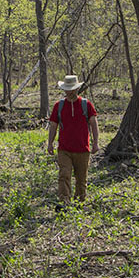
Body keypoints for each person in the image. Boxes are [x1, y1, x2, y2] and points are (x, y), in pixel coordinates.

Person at [47, 75, 99, 210]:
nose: (69, 92)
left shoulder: (86, 104)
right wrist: (50, 143)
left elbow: (94, 123)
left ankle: (80, 203)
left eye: (72, 89)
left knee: (81, 179)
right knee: (64, 175)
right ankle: (64, 202)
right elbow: (53, 125)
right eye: (67, 90)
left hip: (83, 149)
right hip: (64, 149)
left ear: (77, 89)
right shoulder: (59, 106)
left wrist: (96, 143)